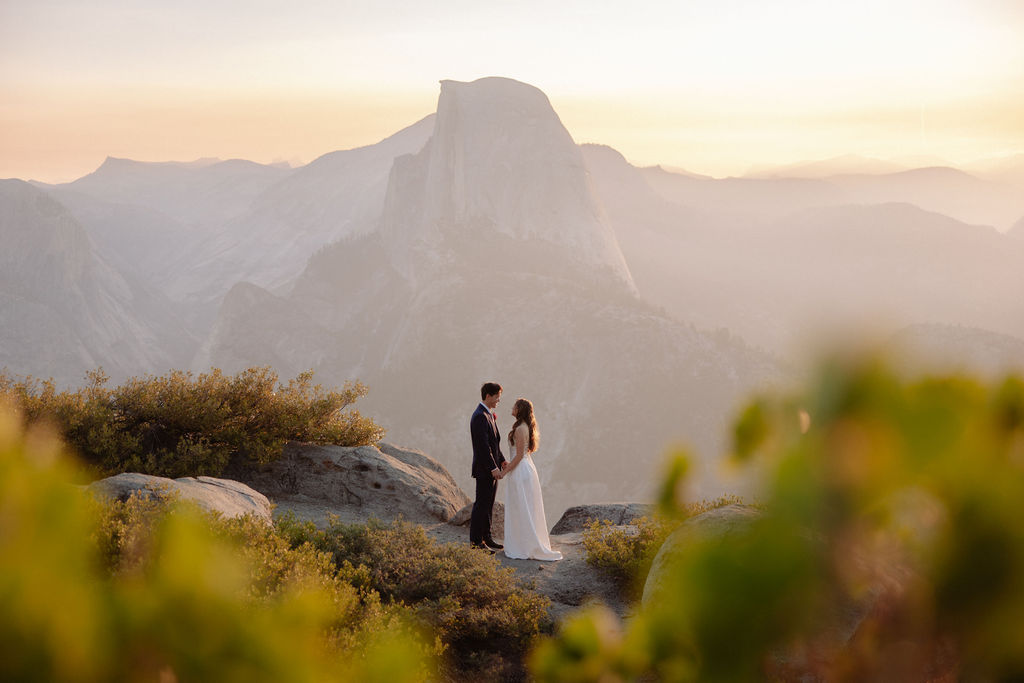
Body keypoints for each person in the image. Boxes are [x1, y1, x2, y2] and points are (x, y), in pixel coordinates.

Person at [502, 398, 562, 561]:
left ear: (519, 409)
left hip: (520, 471)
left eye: (515, 406)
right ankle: (522, 542)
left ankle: (524, 545)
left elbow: (520, 455)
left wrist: (504, 471)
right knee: (523, 506)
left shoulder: (520, 429)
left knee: (521, 506)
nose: (512, 408)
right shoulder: (523, 427)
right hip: (523, 468)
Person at [469, 382, 506, 552]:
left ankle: (487, 537)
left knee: (489, 504)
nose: (499, 399)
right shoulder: (479, 416)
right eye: (497, 396)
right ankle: (476, 543)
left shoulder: (488, 415)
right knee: (481, 505)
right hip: (485, 470)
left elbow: (494, 444)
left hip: (492, 468)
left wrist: (502, 460)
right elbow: (483, 447)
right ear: (488, 396)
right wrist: (493, 468)